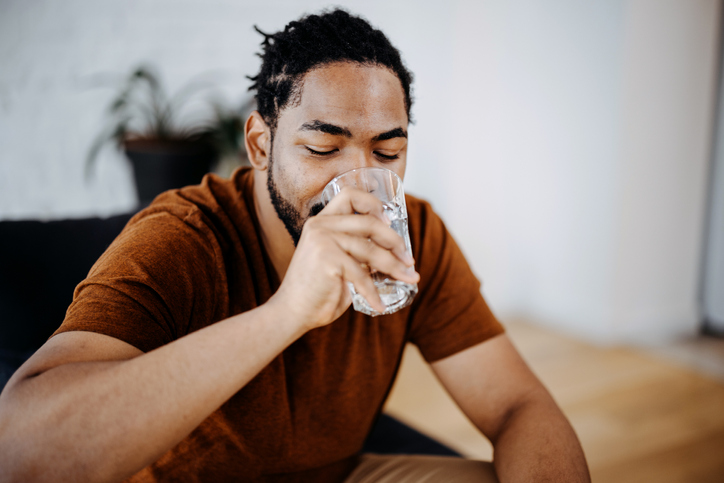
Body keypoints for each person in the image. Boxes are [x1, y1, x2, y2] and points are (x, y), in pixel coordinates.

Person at [0, 9, 590, 483]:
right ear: (261, 145)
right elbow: (21, 453)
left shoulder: (416, 234)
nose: (356, 182)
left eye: (387, 152)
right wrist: (287, 313)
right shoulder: (181, 239)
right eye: (322, 148)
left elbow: (519, 405)